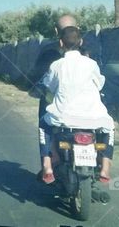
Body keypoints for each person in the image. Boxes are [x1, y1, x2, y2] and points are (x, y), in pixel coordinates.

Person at [37, 26, 115, 185]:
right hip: (94, 118)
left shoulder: (57, 65)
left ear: (60, 42)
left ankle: (48, 165)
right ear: (81, 41)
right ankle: (105, 167)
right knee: (110, 128)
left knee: (43, 125)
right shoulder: (91, 64)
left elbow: (50, 87)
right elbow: (99, 84)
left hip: (64, 118)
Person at [29, 14, 77, 179]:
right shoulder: (86, 50)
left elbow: (40, 78)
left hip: (53, 102)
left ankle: (48, 166)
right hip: (83, 104)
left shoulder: (48, 51)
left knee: (44, 124)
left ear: (57, 31)